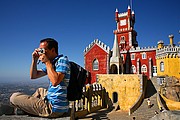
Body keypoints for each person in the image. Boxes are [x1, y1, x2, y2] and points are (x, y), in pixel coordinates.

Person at [10, 38, 70, 118]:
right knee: (40, 90)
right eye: (40, 50)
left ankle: (26, 108)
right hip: (55, 103)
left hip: (53, 108)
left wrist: (47, 62)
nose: (41, 53)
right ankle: (29, 107)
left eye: (43, 50)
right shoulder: (53, 63)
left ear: (52, 50)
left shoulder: (62, 60)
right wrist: (34, 60)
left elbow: (55, 82)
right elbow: (33, 76)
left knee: (14, 97)